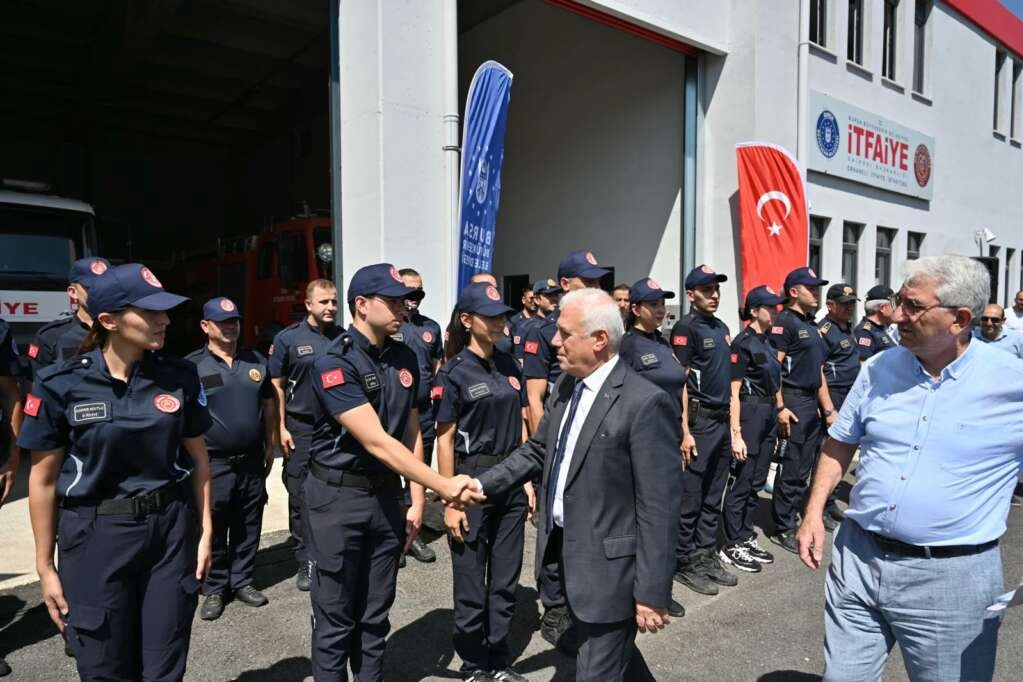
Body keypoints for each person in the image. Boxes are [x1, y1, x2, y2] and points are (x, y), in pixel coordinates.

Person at [797, 255, 1020, 682]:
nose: (898, 314)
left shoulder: (1013, 384)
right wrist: (812, 514)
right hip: (857, 559)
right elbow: (840, 443)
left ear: (960, 319)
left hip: (951, 580)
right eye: (900, 301)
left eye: (913, 306)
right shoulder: (878, 368)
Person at [455, 288, 681, 680]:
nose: (554, 342)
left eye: (564, 334)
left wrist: (652, 591)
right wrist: (480, 484)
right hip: (569, 560)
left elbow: (659, 509)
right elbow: (537, 451)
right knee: (617, 662)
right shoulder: (566, 385)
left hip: (610, 574)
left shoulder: (644, 403)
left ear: (599, 340)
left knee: (598, 668)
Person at [17, 263, 213, 681]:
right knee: (104, 666)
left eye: (165, 311)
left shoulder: (178, 376)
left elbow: (198, 458)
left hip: (169, 531)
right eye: (151, 312)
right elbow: (43, 481)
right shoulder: (60, 384)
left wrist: (205, 531)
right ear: (108, 320)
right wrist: (45, 567)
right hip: (95, 536)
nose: (165, 320)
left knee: (165, 665)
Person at [304, 263, 482, 681]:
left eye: (406, 300)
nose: (404, 307)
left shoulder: (406, 356)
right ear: (362, 305)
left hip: (386, 497)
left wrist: (416, 500)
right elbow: (377, 442)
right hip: (338, 500)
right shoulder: (334, 362)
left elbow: (412, 428)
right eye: (393, 300)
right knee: (335, 619)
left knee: (375, 614)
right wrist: (443, 486)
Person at [435, 282, 533, 682]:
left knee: (505, 580)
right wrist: (451, 500)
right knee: (472, 583)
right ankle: (474, 664)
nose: (499, 323)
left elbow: (523, 425)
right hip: (470, 480)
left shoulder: (510, 365)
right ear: (466, 320)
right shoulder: (454, 372)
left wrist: (527, 482)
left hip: (510, 479)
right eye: (490, 317)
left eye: (502, 316)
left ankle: (498, 659)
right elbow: (444, 438)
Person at [521, 250, 608, 650]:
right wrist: (551, 450)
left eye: (598, 280)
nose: (596, 286)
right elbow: (535, 397)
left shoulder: (597, 326)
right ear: (566, 284)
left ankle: (580, 600)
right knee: (554, 530)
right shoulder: (545, 332)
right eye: (588, 281)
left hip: (590, 440)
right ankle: (555, 606)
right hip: (559, 441)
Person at [186, 297, 276, 621]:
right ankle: (214, 587)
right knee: (213, 522)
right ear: (205, 326)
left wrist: (270, 442)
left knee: (248, 522)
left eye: (234, 321)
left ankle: (242, 581)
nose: (230, 327)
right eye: (222, 322)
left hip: (250, 460)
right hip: (214, 463)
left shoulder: (256, 361)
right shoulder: (192, 367)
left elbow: (268, 404)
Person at [617, 277, 686, 618]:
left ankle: (660, 587)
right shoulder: (627, 346)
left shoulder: (663, 342)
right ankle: (635, 589)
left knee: (666, 519)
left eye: (662, 304)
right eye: (653, 304)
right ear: (635, 309)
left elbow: (679, 388)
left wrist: (685, 432)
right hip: (642, 445)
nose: (660, 310)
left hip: (670, 441)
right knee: (643, 519)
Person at [268, 278, 341, 590]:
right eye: (324, 302)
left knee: (334, 490)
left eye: (334, 301)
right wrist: (281, 427)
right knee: (300, 494)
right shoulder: (288, 339)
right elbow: (276, 385)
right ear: (308, 304)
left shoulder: (343, 338)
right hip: (301, 428)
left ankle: (330, 550)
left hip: (335, 428)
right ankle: (304, 558)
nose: (330, 307)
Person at [670, 265, 738, 595]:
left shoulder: (721, 327)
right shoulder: (686, 328)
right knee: (692, 495)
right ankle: (684, 560)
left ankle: (704, 553)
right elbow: (678, 382)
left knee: (714, 493)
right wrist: (684, 430)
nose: (714, 295)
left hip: (721, 419)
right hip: (700, 422)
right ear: (691, 294)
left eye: (716, 289)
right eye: (707, 289)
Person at [768, 266, 837, 554]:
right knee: (792, 465)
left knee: (805, 466)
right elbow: (773, 368)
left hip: (811, 403)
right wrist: (780, 406)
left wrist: (828, 409)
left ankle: (796, 516)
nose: (816, 292)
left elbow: (818, 370)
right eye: (811, 288)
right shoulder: (785, 323)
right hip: (793, 401)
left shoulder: (810, 325)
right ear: (794, 292)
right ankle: (783, 525)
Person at [719, 285, 784, 574]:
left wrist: (779, 411)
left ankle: (745, 534)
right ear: (755, 311)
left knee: (756, 480)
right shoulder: (742, 343)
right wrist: (736, 433)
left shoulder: (768, 341)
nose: (776, 311)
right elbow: (733, 392)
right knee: (742, 480)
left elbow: (776, 381)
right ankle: (732, 543)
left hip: (768, 413)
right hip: (749, 412)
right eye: (770, 307)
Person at [395, 268, 441, 564]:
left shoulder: (431, 328)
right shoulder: (390, 324)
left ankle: (413, 534)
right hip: (394, 413)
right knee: (388, 475)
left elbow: (437, 366)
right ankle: (393, 537)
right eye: (410, 290)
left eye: (419, 291)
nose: (415, 296)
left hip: (423, 413)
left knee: (418, 474)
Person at [815, 283, 862, 530]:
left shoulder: (848, 328)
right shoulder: (824, 331)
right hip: (833, 396)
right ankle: (819, 506)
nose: (849, 307)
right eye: (844, 304)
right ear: (830, 305)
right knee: (827, 453)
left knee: (842, 452)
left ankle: (830, 501)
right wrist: (828, 409)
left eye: (852, 303)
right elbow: (818, 371)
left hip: (848, 396)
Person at [26, 257, 111, 379]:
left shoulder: (127, 331)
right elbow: (35, 383)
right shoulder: (51, 336)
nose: (100, 292)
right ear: (73, 292)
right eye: (91, 287)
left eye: (106, 286)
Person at [853, 285, 898, 360]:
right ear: (882, 308)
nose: (896, 309)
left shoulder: (880, 328)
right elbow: (863, 363)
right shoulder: (864, 332)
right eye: (893, 305)